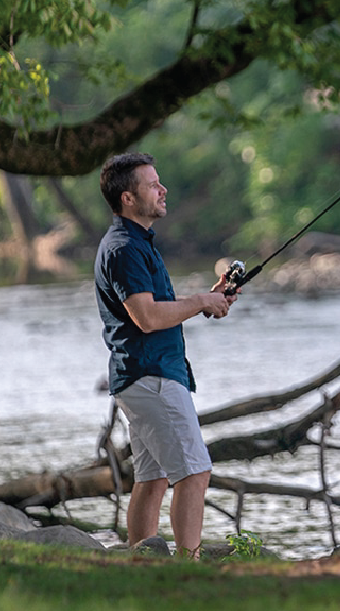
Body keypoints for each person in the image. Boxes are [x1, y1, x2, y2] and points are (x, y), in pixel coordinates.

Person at [93, 152, 237, 559]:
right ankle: (188, 567)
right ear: (127, 198)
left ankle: (142, 561)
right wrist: (200, 300)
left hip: (144, 375)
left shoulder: (137, 243)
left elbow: (161, 311)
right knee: (195, 472)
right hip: (150, 377)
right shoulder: (123, 248)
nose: (163, 189)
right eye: (153, 184)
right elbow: (148, 317)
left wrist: (209, 298)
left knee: (152, 479)